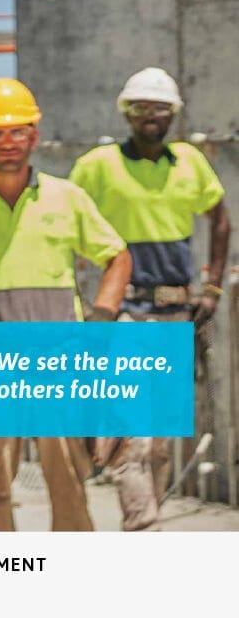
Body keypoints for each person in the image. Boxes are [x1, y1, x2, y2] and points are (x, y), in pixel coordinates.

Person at [0, 77, 132, 531]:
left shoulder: (67, 198)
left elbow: (117, 256)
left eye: (16, 131)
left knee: (67, 479)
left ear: (33, 136)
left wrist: (101, 319)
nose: (7, 142)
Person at [70, 66, 231, 531]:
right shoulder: (98, 165)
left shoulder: (189, 162)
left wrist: (213, 286)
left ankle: (147, 529)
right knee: (134, 437)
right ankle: (145, 533)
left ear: (173, 114)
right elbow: (66, 220)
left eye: (160, 108)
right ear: (127, 112)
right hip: (126, 317)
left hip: (177, 317)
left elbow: (220, 220)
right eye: (141, 107)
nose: (151, 115)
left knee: (159, 441)